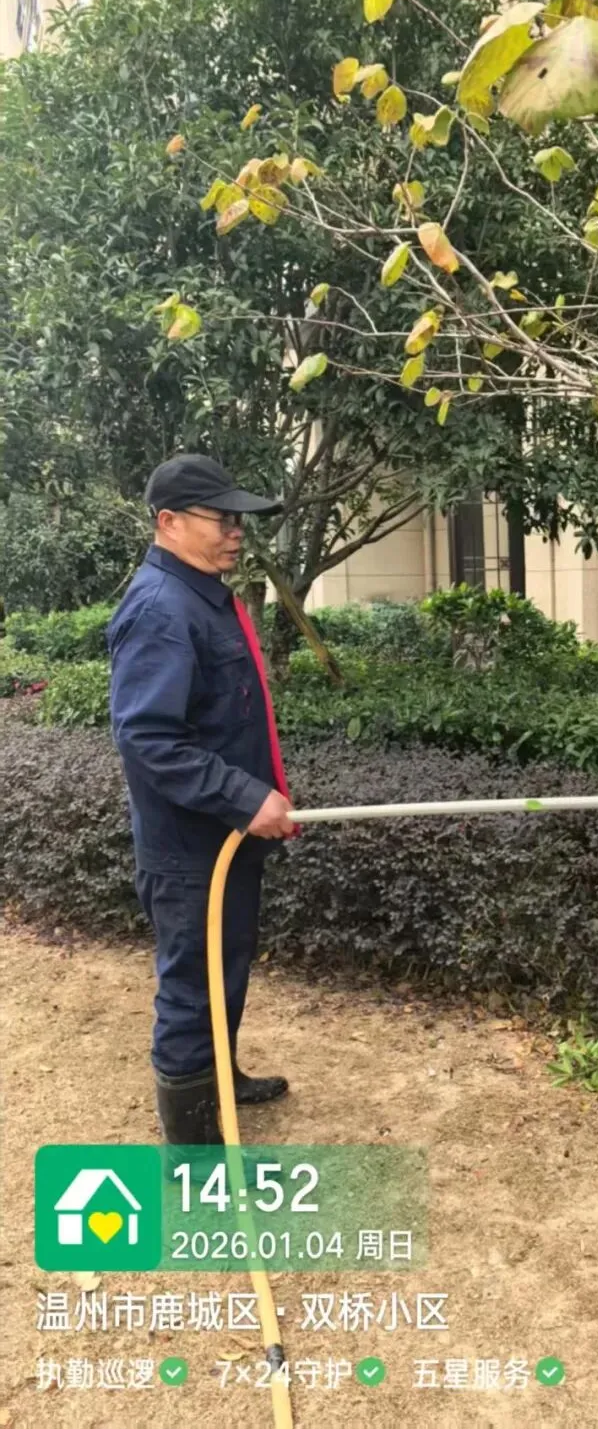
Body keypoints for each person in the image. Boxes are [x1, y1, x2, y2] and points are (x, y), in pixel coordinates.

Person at [107, 454, 296, 1148]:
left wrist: (254, 799)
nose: (237, 532)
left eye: (239, 520)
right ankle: (191, 1148)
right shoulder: (161, 609)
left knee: (225, 964)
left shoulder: (203, 595)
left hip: (225, 835)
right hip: (191, 849)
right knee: (194, 983)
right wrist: (244, 796)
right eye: (222, 519)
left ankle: (218, 1079)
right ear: (169, 522)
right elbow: (149, 738)